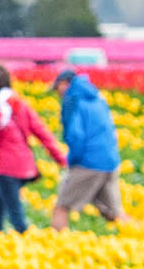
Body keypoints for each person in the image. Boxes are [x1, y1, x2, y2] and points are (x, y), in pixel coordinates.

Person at [0, 65, 59, 235]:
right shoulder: (20, 104)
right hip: (25, 166)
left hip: (6, 169)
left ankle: (33, 244)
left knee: (17, 218)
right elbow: (40, 131)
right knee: (0, 205)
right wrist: (59, 156)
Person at [50, 63, 124, 228]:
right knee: (114, 213)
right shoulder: (96, 96)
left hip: (89, 162)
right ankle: (142, 237)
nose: (58, 94)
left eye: (57, 88)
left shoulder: (72, 99)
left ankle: (55, 246)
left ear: (65, 83)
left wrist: (72, 160)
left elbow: (76, 136)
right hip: (110, 161)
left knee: (61, 207)